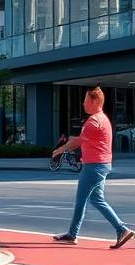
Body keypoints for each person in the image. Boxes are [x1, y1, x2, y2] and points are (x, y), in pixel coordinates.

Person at [52, 87, 132, 249]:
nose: (83, 103)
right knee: (97, 200)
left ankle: (73, 234)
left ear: (95, 101)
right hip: (100, 165)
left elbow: (78, 142)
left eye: (86, 100)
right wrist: (71, 141)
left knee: (81, 200)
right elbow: (82, 139)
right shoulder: (101, 119)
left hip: (94, 166)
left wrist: (59, 150)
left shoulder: (94, 120)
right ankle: (121, 230)